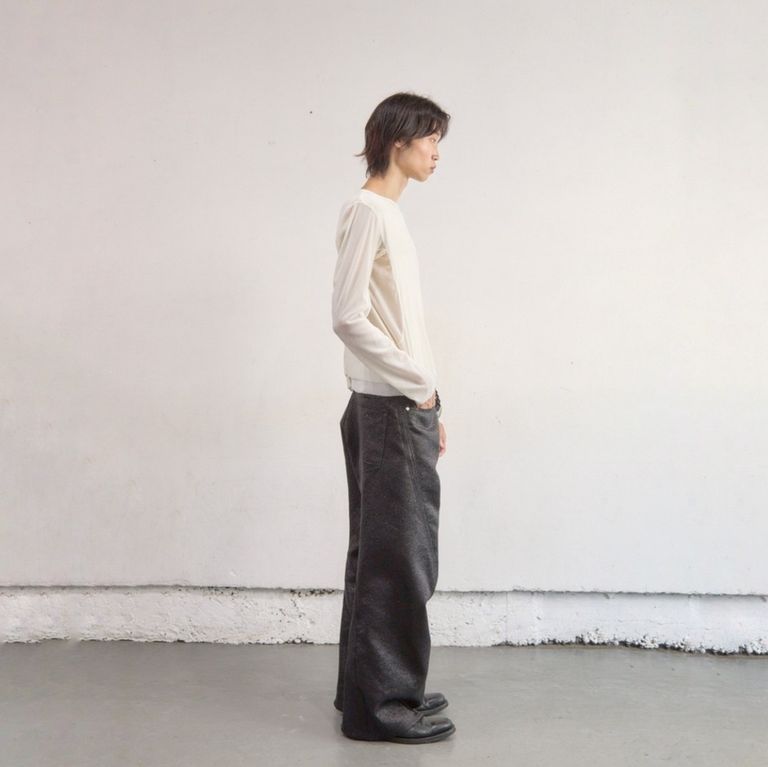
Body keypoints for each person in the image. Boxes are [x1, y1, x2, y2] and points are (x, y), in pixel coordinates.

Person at [330, 92, 454, 744]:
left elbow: (402, 324)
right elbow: (348, 316)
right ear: (398, 140)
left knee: (382, 555)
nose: (437, 153)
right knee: (397, 561)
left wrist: (432, 398)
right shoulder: (368, 212)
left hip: (397, 404)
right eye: (430, 138)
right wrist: (418, 388)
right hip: (388, 407)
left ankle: (373, 690)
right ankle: (382, 707)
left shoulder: (388, 215)